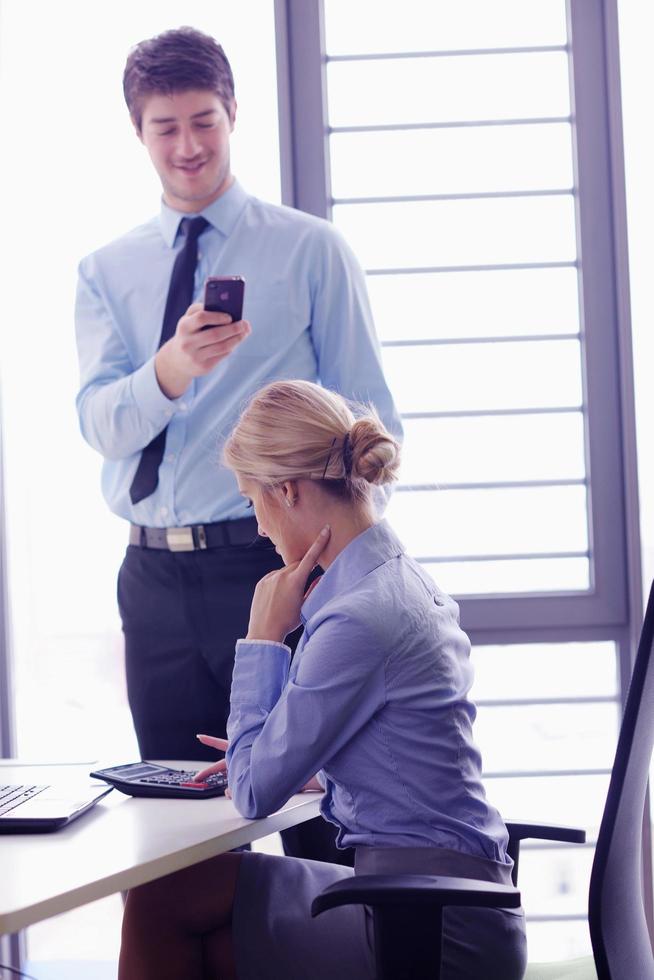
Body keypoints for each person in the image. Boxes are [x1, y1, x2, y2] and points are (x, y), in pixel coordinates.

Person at [74, 27, 401, 861]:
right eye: (166, 127)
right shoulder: (106, 272)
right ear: (138, 132)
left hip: (277, 564)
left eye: (205, 120)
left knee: (310, 823)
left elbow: (373, 425)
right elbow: (100, 425)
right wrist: (172, 368)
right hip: (151, 578)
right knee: (178, 836)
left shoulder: (310, 250)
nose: (188, 145)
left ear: (233, 115)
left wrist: (347, 571)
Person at [117, 380, 527, 980]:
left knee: (162, 902)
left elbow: (255, 796)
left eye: (252, 502)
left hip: (431, 922)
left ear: (286, 491)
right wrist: (303, 763)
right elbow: (399, 750)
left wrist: (262, 637)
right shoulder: (391, 580)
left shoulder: (357, 619)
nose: (259, 527)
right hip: (442, 893)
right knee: (205, 934)